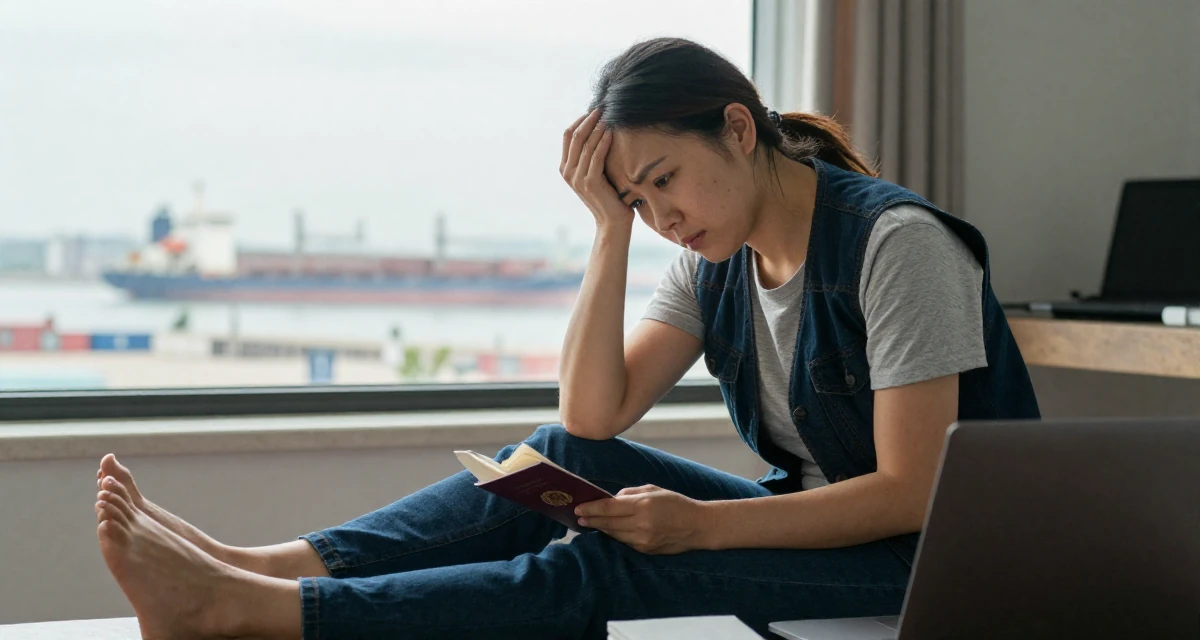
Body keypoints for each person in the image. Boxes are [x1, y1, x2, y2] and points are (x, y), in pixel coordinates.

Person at [91, 37, 1039, 639]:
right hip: (835, 528)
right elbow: (591, 415)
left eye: (665, 179)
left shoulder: (895, 244)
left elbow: (916, 493)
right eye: (638, 197)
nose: (663, 214)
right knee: (553, 458)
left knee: (611, 551)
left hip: (936, 558)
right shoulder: (713, 254)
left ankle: (260, 613)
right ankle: (263, 565)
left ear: (740, 130)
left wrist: (702, 525)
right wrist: (609, 230)